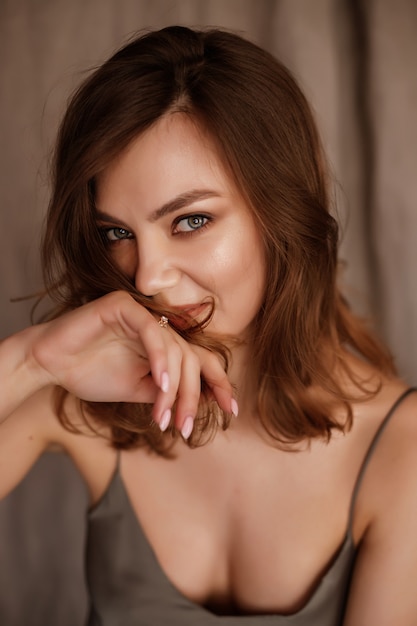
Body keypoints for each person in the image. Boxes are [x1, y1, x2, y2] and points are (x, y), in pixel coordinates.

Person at [0, 25, 416, 626]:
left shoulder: (398, 450)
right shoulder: (90, 395)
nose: (146, 279)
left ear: (281, 210)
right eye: (117, 233)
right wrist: (29, 362)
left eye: (190, 221)